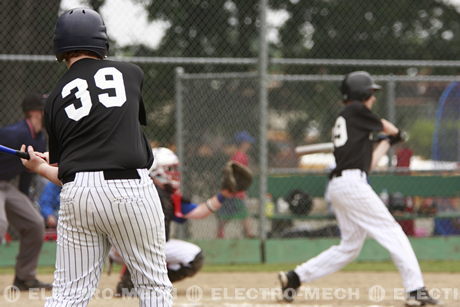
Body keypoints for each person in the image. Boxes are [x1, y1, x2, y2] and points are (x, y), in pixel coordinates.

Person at [20, 8, 172, 306]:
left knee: (69, 293)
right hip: (130, 190)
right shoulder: (131, 73)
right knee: (152, 285)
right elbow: (114, 125)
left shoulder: (53, 100)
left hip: (79, 194)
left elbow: (65, 171)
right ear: (101, 42)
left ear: (60, 47)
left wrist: (39, 166)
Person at [278, 71, 440, 306]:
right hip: (351, 185)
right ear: (361, 94)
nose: (373, 98)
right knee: (392, 232)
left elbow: (370, 164)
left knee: (350, 247)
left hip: (346, 184)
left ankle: (295, 277)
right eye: (371, 94)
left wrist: (386, 142)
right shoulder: (355, 110)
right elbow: (389, 127)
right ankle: (415, 291)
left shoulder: (353, 124)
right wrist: (396, 134)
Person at [112, 147, 239, 295]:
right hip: (123, 246)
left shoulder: (169, 195)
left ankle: (143, 283)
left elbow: (199, 212)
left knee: (194, 256)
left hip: (151, 247)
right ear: (154, 170)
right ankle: (134, 282)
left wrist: (223, 195)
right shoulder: (137, 191)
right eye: (169, 168)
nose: (174, 173)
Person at [0, 93, 52, 291]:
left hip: (5, 185)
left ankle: (24, 278)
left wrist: (25, 199)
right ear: (33, 112)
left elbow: (28, 171)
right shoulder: (13, 133)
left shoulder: (39, 138)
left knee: (35, 223)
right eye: (45, 109)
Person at [216, 131, 255, 238]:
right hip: (237, 192)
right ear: (242, 143)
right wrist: (240, 190)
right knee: (244, 214)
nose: (249, 145)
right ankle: (249, 233)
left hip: (232, 191)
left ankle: (220, 233)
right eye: (247, 143)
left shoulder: (235, 155)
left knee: (227, 215)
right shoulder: (241, 156)